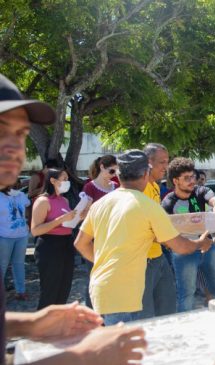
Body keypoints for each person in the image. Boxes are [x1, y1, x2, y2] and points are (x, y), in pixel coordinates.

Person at [0, 72, 146, 364]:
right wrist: (83, 357)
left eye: (20, 134)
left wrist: (29, 324)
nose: (15, 147)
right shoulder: (49, 198)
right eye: (2, 130)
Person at [75, 150, 213, 325]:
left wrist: (106, 263)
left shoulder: (100, 204)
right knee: (131, 348)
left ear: (119, 174)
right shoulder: (147, 206)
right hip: (127, 294)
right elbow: (180, 246)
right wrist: (200, 243)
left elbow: (80, 243)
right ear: (145, 174)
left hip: (101, 289)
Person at [162, 158, 215, 311]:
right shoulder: (168, 202)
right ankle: (184, 325)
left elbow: (214, 199)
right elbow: (163, 232)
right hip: (183, 252)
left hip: (208, 247)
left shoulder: (200, 191)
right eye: (187, 178)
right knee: (186, 292)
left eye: (193, 177)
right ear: (175, 180)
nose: (192, 181)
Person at [30, 168, 77, 309]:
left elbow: (67, 224)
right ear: (53, 180)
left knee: (64, 288)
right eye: (64, 179)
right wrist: (60, 220)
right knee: (50, 290)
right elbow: (35, 230)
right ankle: (42, 328)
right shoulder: (43, 201)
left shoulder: (64, 200)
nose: (67, 182)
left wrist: (80, 216)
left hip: (66, 244)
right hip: (49, 246)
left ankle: (58, 326)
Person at [140, 142, 177, 319]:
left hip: (158, 256)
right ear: (148, 162)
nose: (166, 167)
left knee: (167, 308)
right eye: (162, 162)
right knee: (146, 315)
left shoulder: (155, 186)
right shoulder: (142, 188)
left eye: (167, 161)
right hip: (144, 260)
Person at [81, 155, 118, 307]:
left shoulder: (116, 186)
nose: (114, 174)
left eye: (116, 171)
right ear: (102, 167)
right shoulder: (89, 187)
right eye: (111, 170)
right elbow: (84, 214)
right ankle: (93, 311)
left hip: (114, 236)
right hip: (96, 237)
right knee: (95, 276)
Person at [0, 182, 30, 300]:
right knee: (2, 266)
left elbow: (28, 206)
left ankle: (21, 291)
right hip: (4, 236)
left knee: (19, 264)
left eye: (17, 185)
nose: (16, 188)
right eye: (13, 186)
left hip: (22, 235)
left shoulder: (21, 195)